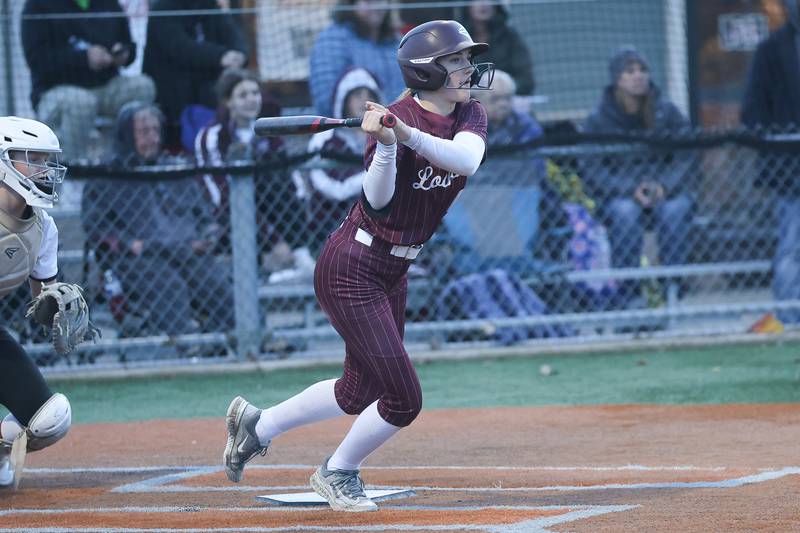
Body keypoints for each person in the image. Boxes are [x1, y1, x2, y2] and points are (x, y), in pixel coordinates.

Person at [223, 20, 493, 512]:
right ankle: (337, 472)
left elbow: (465, 161)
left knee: (358, 390)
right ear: (427, 71)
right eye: (456, 61)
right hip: (353, 264)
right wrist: (389, 145)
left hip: (394, 269)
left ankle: (256, 426)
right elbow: (377, 200)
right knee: (403, 398)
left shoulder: (468, 113)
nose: (467, 69)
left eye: (465, 59)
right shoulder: (391, 119)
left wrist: (406, 135)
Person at [81, 102, 235, 338]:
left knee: (214, 280)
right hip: (136, 257)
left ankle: (246, 337)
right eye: (144, 132)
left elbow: (204, 215)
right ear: (127, 135)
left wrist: (209, 234)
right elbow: (96, 227)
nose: (153, 138)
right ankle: (187, 344)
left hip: (185, 250)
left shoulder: (173, 169)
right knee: (170, 285)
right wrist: (127, 243)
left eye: (156, 131)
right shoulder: (106, 175)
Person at [0, 117, 84, 487]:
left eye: (47, 160)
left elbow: (42, 302)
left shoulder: (43, 227)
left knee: (51, 419)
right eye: (33, 158)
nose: (45, 169)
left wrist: (58, 309)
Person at [582, 46, 695, 308]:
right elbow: (592, 168)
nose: (639, 76)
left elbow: (686, 154)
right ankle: (630, 291)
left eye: (643, 70)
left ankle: (673, 286)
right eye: (630, 71)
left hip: (666, 191)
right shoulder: (599, 118)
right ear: (617, 79)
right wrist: (630, 188)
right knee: (623, 213)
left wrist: (664, 185)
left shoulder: (665, 111)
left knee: (675, 210)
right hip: (621, 195)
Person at [194, 68, 307, 276]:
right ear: (228, 101)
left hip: (276, 221)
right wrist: (273, 240)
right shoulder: (211, 136)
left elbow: (293, 184)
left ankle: (299, 252)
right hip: (229, 222)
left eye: (255, 93)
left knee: (277, 179)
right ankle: (275, 260)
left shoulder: (270, 131)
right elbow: (222, 198)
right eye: (243, 95)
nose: (251, 100)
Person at [20, 0, 156, 161]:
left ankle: (125, 162)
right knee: (82, 103)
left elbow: (128, 45)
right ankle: (70, 173)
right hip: (55, 90)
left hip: (104, 86)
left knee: (143, 87)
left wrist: (123, 53)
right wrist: (84, 58)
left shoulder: (108, 3)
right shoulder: (38, 5)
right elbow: (37, 60)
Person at [741, 0, 800, 326]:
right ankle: (792, 320)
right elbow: (752, 112)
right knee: (792, 248)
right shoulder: (771, 51)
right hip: (791, 171)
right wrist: (779, 145)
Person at [298, 67, 383, 255]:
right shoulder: (326, 140)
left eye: (370, 95)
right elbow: (336, 190)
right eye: (357, 95)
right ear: (344, 101)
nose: (364, 100)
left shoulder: (384, 138)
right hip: (332, 223)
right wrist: (380, 173)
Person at [143, 0, 249, 147]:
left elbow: (234, 36)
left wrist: (240, 54)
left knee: (233, 86)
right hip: (172, 85)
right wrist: (220, 57)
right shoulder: (163, 9)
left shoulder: (210, 6)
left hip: (207, 82)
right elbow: (181, 48)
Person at [309, 0, 405, 118]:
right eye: (368, 1)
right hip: (352, 129)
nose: (377, 6)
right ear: (351, 4)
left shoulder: (395, 41)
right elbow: (327, 100)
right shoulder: (333, 39)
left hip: (397, 127)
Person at [459, 0, 534, 95]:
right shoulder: (459, 38)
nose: (483, 4)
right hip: (471, 98)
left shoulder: (509, 36)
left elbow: (526, 79)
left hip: (505, 97)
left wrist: (504, 86)